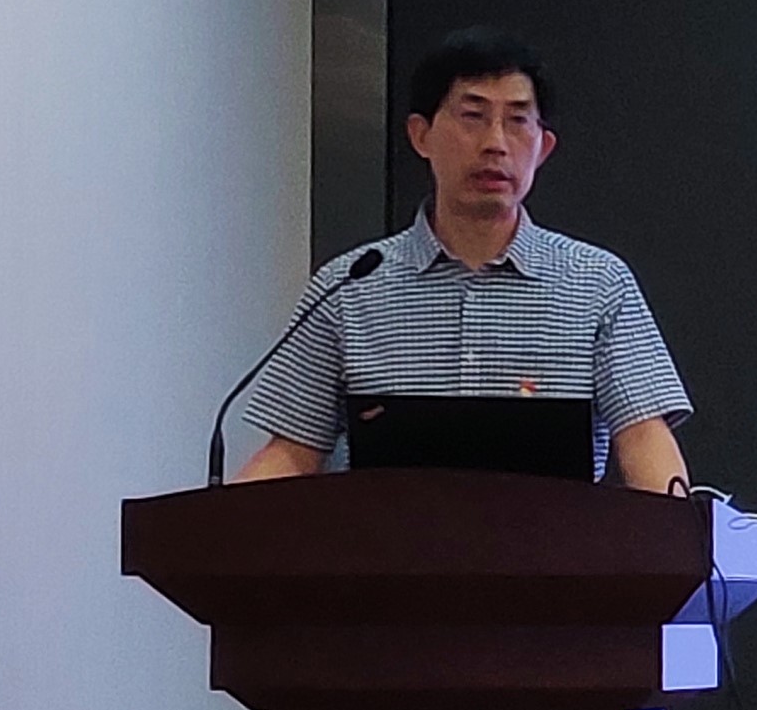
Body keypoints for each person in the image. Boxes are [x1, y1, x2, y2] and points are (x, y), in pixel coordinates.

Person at [232, 28, 694, 491]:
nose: (496, 143)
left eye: (517, 121)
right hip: (390, 537)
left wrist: (679, 529)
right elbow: (291, 452)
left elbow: (643, 437)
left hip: (553, 539)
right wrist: (214, 527)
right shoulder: (349, 286)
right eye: (473, 116)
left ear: (543, 147)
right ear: (421, 135)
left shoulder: (597, 283)